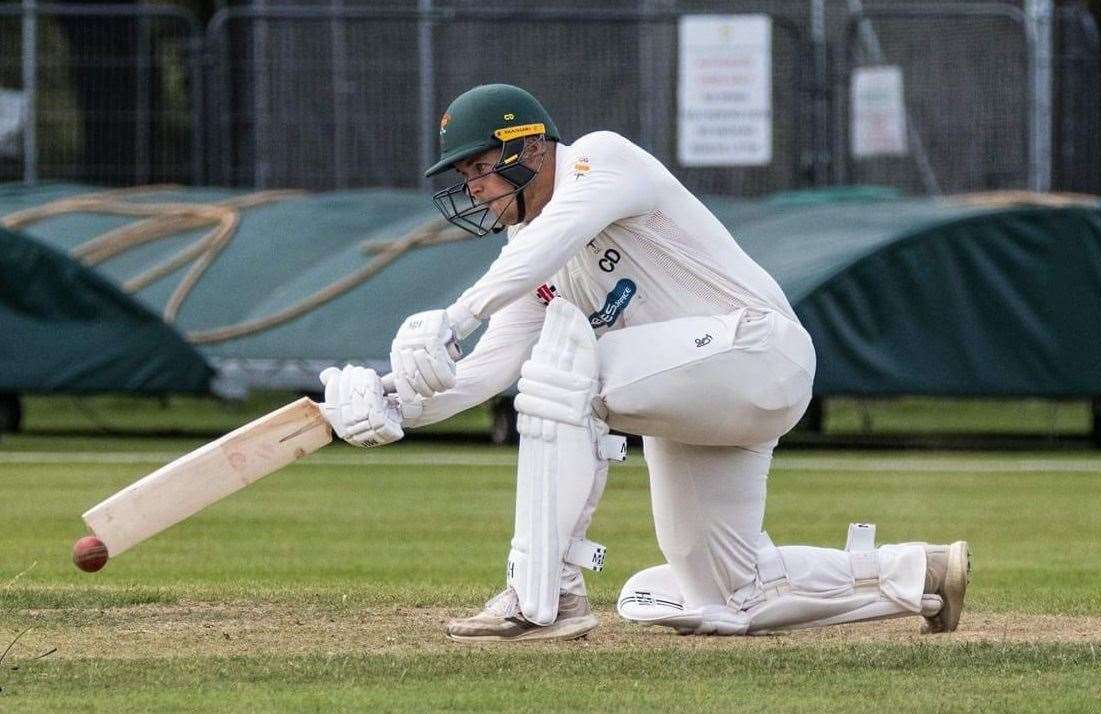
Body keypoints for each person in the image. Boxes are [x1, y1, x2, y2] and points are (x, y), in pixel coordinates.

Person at [318, 84, 970, 642]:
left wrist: (456, 316)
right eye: (464, 178)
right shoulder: (535, 256)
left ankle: (547, 595)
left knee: (568, 368)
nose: (475, 188)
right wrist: (390, 397)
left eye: (480, 167)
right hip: (696, 400)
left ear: (533, 148)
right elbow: (488, 370)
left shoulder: (601, 162)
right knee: (725, 594)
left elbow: (551, 243)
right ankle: (915, 572)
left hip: (759, 354)